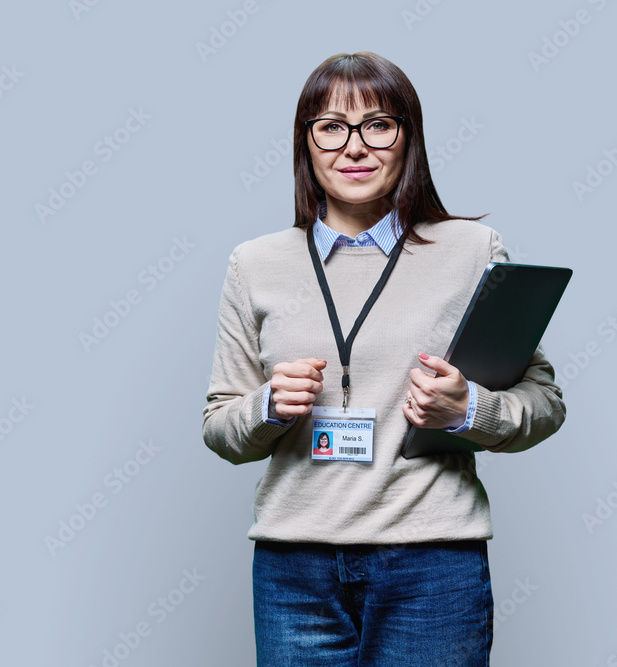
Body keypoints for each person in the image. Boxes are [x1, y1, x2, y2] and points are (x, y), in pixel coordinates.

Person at [203, 51, 566, 666]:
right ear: (307, 144)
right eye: (331, 126)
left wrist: (467, 408)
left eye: (378, 124)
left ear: (408, 139)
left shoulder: (473, 249)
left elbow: (545, 404)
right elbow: (220, 426)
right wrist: (267, 407)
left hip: (432, 562)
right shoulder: (255, 264)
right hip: (295, 570)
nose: (354, 147)